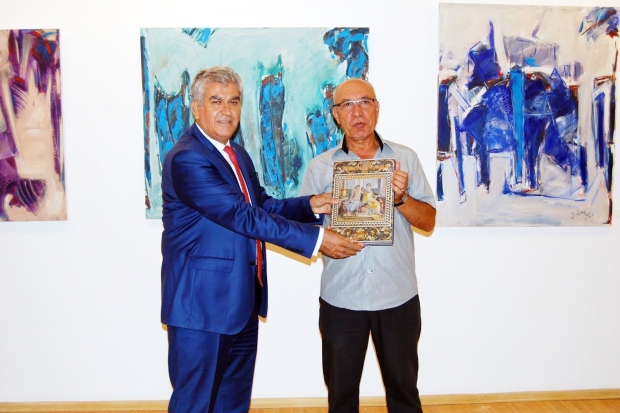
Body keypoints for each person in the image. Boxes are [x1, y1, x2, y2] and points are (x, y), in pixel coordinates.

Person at [160, 66, 363, 413]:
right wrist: (317, 240)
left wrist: (310, 205)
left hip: (241, 303)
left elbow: (261, 205)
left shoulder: (236, 153)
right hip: (201, 310)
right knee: (195, 405)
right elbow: (241, 216)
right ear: (196, 108)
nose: (227, 110)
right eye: (216, 101)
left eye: (234, 101)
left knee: (233, 404)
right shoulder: (187, 158)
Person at [300, 78, 436, 413]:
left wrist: (401, 199)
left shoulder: (405, 159)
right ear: (336, 115)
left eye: (364, 102)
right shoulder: (320, 168)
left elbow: (428, 221)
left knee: (404, 393)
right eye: (347, 105)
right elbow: (303, 231)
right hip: (341, 297)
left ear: (376, 108)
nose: (357, 112)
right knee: (341, 396)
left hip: (397, 295)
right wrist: (324, 238)